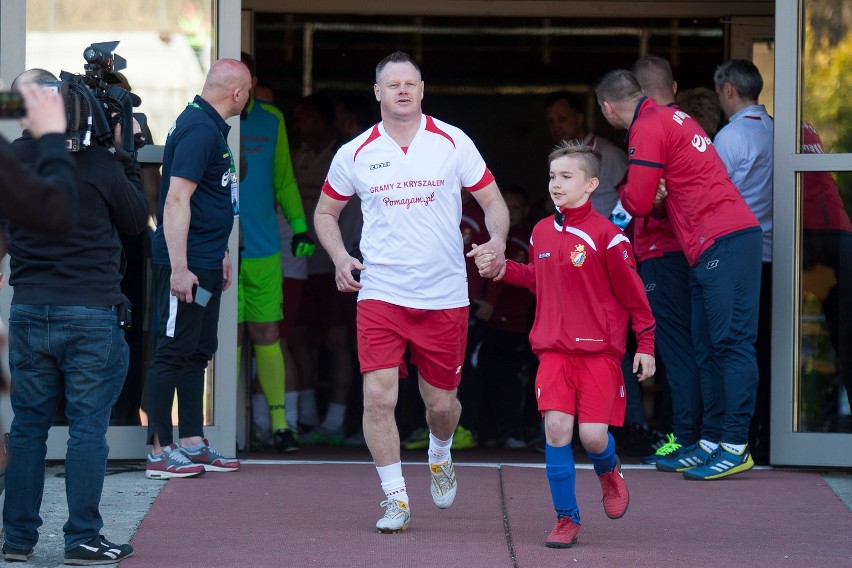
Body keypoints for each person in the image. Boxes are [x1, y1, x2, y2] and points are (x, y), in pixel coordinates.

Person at [313, 51, 509, 533]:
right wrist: (341, 256)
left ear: (422, 90)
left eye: (411, 83)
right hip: (381, 292)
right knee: (378, 396)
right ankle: (395, 498)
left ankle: (440, 451)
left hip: (444, 295)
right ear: (377, 93)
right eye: (393, 84)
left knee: (440, 406)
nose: (403, 90)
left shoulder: (452, 142)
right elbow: (324, 213)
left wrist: (498, 242)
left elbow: (493, 202)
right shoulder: (355, 152)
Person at [472, 141, 655, 548]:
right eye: (552, 176)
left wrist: (646, 343)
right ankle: (566, 518)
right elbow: (539, 278)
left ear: (591, 184)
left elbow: (635, 296)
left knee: (592, 438)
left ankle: (609, 472)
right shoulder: (540, 231)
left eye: (566, 176)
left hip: (599, 354)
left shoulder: (609, 237)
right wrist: (500, 268)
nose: (556, 184)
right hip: (553, 351)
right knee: (556, 430)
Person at [2, 69, 147, 565]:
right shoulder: (97, 162)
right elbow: (135, 223)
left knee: (27, 428)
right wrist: (123, 156)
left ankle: (17, 540)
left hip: (28, 309)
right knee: (88, 428)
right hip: (89, 310)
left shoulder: (13, 160)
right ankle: (82, 538)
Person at [596, 69, 762, 480]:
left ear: (607, 108)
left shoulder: (646, 126)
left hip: (724, 237)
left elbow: (636, 199)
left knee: (731, 344)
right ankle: (709, 442)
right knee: (706, 347)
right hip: (707, 242)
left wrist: (643, 191)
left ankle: (736, 445)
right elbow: (649, 193)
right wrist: (652, 189)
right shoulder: (670, 117)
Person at [144, 58, 252, 479]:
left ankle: (191, 440)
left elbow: (211, 199)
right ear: (237, 94)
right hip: (185, 267)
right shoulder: (198, 129)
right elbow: (176, 200)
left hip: (205, 264)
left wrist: (220, 253)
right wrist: (179, 267)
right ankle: (158, 450)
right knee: (171, 349)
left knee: (198, 347)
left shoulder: (209, 127)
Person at [238, 52, 314, 454]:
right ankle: (229, 428)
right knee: (229, 339)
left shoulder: (272, 118)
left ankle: (281, 425)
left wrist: (300, 227)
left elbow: (283, 178)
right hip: (223, 252)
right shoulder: (207, 118)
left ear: (252, 79)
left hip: (266, 248)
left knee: (267, 336)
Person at [631, 55, 701, 466]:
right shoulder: (685, 127)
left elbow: (640, 201)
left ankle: (685, 438)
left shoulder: (652, 127)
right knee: (691, 348)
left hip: (665, 252)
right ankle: (689, 435)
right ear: (673, 88)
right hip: (691, 250)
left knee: (676, 350)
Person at [712, 59, 774, 463]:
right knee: (767, 348)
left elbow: (711, 196)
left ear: (729, 90)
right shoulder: (778, 130)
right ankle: (770, 436)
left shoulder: (731, 136)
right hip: (777, 253)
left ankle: (737, 435)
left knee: (732, 346)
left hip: (737, 253)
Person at [290, 93, 360, 445]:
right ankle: (304, 419)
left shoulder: (344, 155)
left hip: (341, 261)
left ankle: (335, 421)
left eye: (304, 118)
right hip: (303, 264)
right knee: (298, 336)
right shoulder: (299, 154)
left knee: (339, 342)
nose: (299, 126)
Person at [476, 184, 536, 449]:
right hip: (490, 322)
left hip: (520, 324)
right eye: (505, 207)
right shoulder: (494, 240)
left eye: (515, 208)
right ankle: (486, 432)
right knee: (486, 377)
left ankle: (514, 430)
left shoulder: (533, 238)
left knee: (514, 381)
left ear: (525, 210)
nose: (510, 213)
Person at [544, 90, 627, 219]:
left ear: (579, 118)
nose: (556, 127)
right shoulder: (558, 159)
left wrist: (613, 232)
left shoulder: (607, 153)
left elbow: (632, 200)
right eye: (551, 121)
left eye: (562, 119)